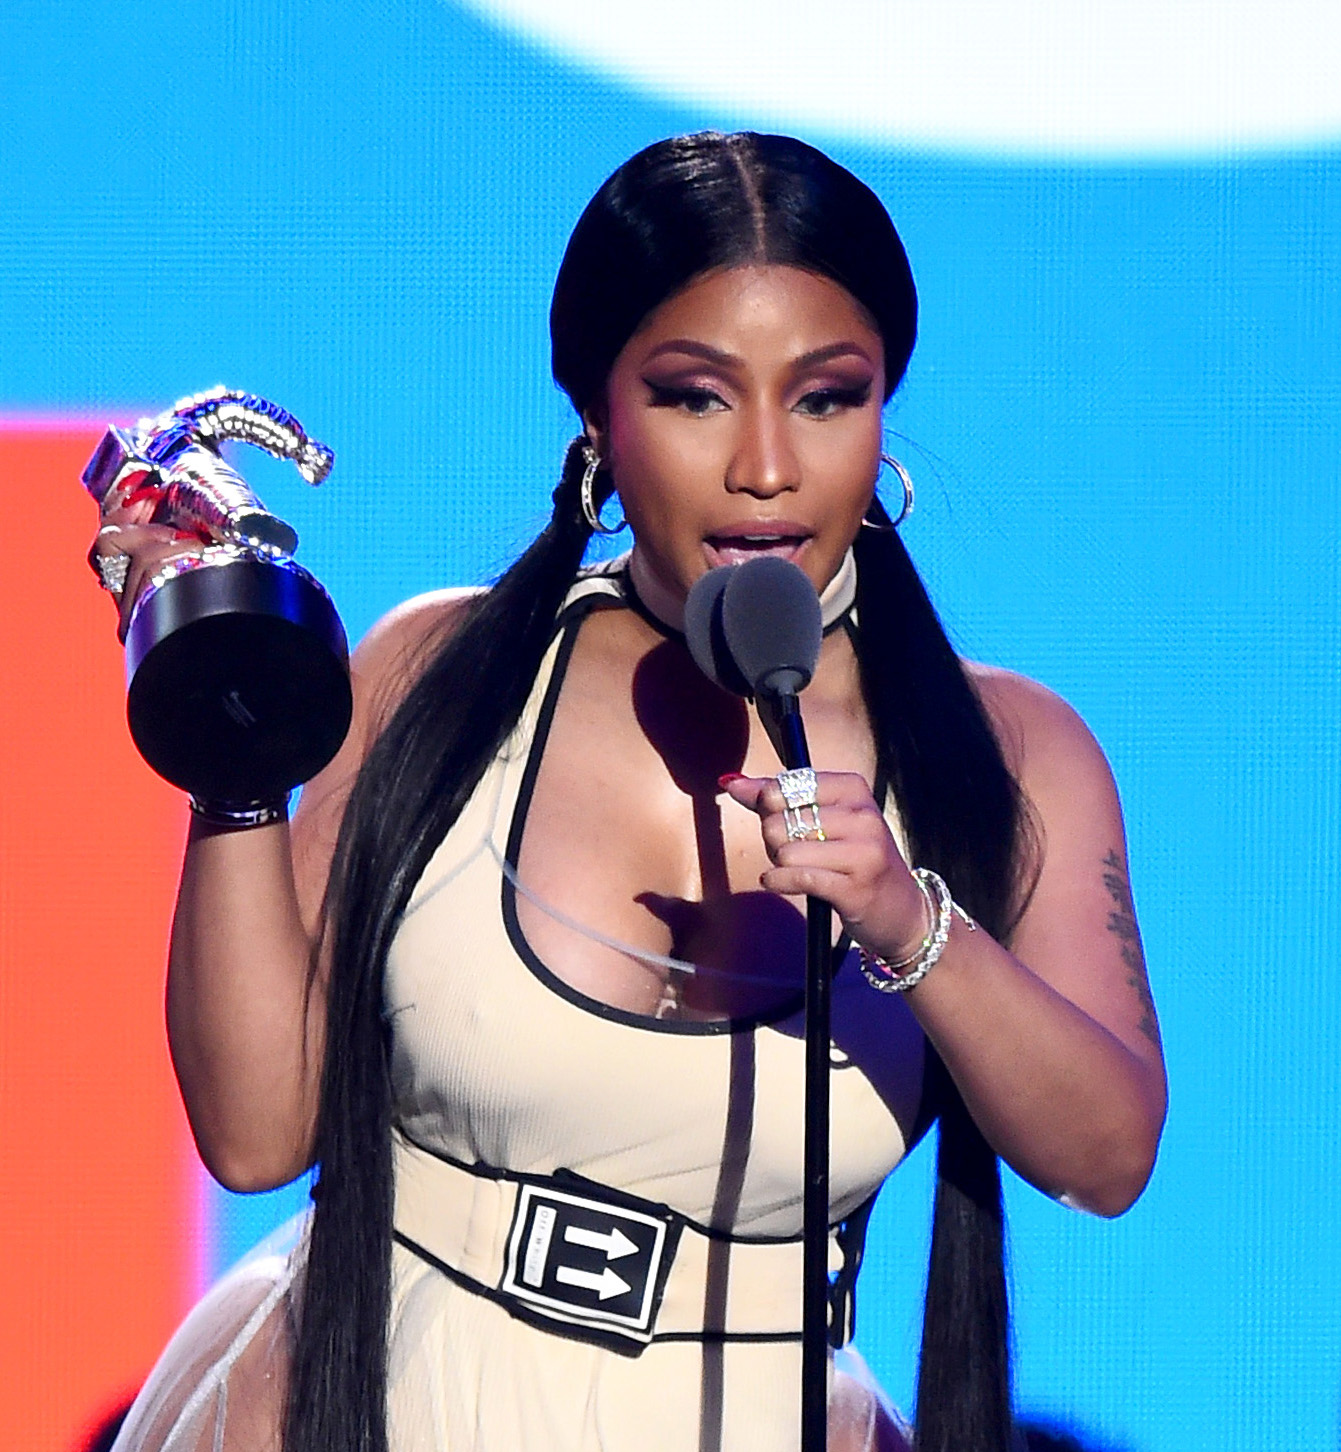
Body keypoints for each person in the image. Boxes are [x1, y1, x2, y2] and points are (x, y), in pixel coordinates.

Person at [91, 132, 1167, 1452]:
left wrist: (909, 924)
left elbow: (1105, 1158)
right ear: (597, 414)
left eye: (825, 397)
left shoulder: (1009, 751)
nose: (765, 465)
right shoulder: (443, 671)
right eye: (695, 397)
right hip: (373, 1388)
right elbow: (256, 1138)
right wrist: (231, 734)